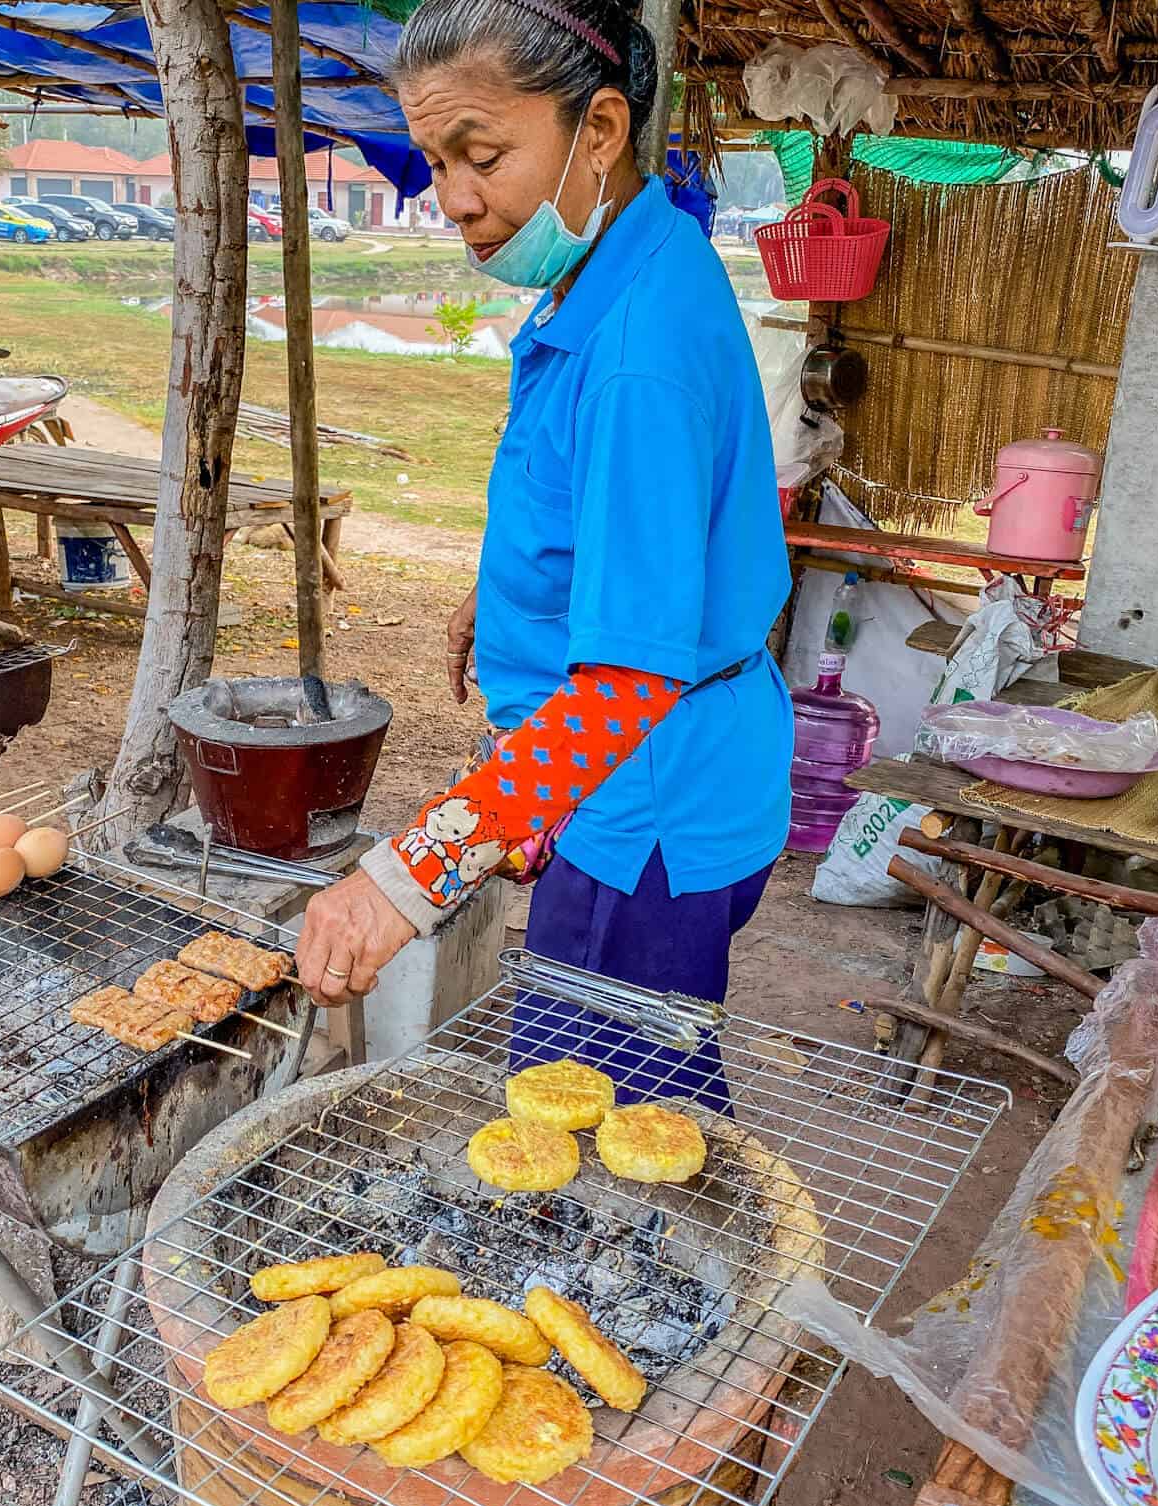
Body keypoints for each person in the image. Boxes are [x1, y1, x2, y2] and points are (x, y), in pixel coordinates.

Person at [292, 0, 793, 1108]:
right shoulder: (634, 251)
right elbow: (601, 516)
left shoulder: (636, 357)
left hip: (641, 801)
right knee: (615, 1097)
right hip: (644, 774)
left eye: (481, 154)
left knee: (600, 1123)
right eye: (433, 163)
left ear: (599, 129)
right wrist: (507, 596)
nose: (455, 200)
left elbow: (625, 689)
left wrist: (403, 878)